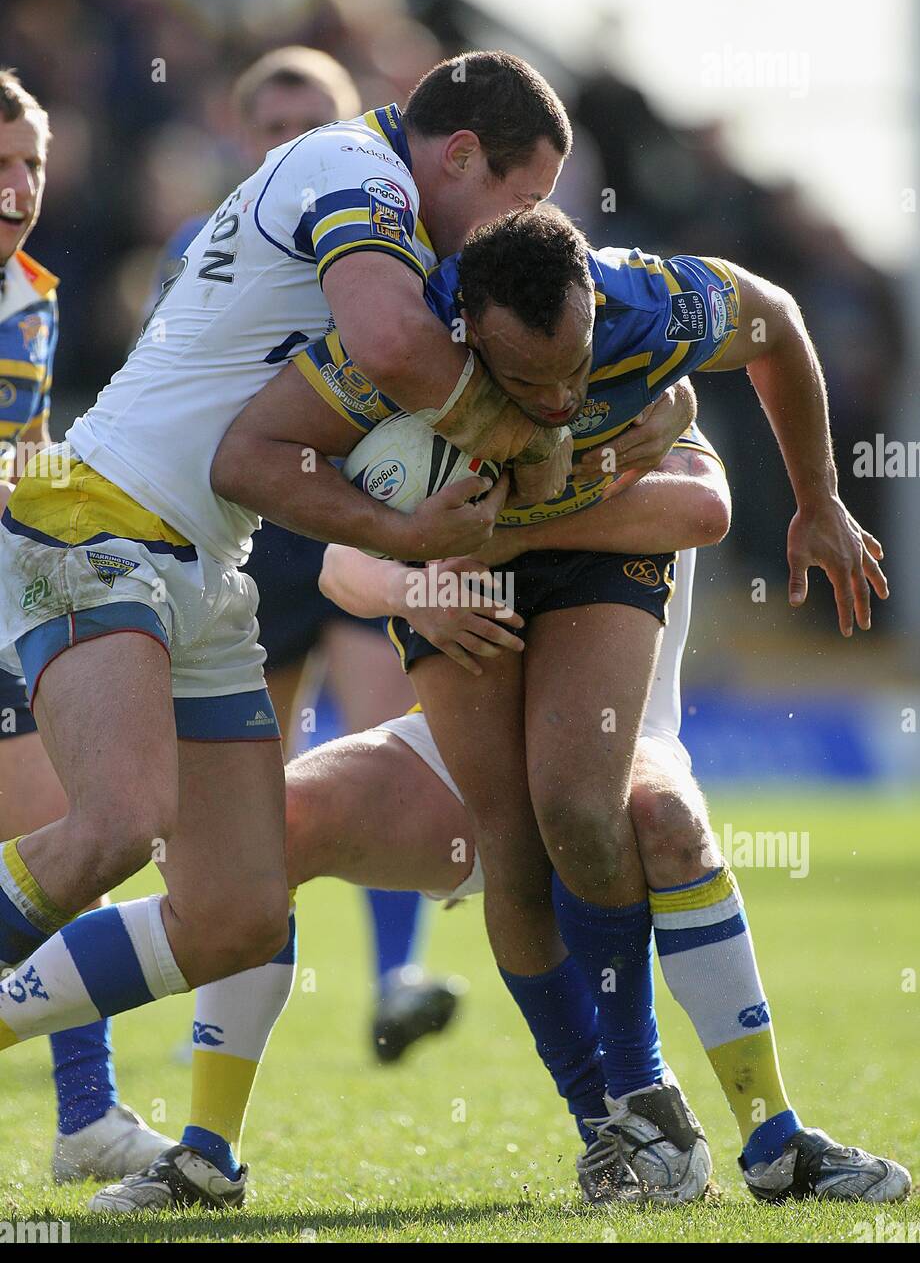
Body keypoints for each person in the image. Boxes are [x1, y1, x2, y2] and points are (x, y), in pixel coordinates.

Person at [202, 205, 903, 1208]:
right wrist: (414, 579)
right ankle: (189, 1143)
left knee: (631, 812)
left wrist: (817, 497)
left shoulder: (649, 329)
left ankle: (760, 1136)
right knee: (267, 832)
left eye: (577, 367)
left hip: (620, 728)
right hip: (452, 713)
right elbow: (332, 554)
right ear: (468, 343)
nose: (564, 395)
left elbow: (704, 498)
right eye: (531, 382)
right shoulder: (397, 363)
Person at [0, 54, 573, 1201]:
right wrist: (538, 422)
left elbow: (252, 462)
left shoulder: (393, 220)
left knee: (237, 909)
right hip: (93, 520)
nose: (521, 229)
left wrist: (403, 531)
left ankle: (140, 1136)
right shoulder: (350, 168)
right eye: (518, 200)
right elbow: (396, 350)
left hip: (208, 560)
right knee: (115, 821)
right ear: (456, 156)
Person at [150, 44, 460, 1063]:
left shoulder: (384, 233)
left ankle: (395, 977)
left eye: (312, 122)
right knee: (260, 793)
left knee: (379, 739)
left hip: (363, 517)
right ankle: (226, 1018)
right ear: (247, 138)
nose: (294, 142)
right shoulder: (206, 244)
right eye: (275, 127)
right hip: (255, 535)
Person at [0, 68, 173, 1180]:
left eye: (33, 165)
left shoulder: (35, 293)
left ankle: (85, 1116)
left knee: (69, 841)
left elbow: (30, 454)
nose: (18, 188)